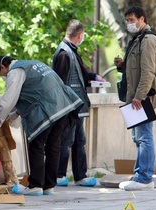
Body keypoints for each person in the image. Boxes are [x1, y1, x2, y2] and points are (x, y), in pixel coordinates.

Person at [0, 55, 84, 196]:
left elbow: (9, 99)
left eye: (0, 74)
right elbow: (30, 93)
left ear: (3, 67)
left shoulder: (15, 71)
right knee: (53, 146)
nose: (3, 77)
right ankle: (48, 186)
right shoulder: (32, 64)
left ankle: (35, 186)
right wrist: (10, 117)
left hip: (48, 109)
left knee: (36, 146)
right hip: (64, 106)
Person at [114, 6, 156, 191]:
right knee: (138, 137)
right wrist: (122, 66)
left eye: (132, 20)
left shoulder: (148, 40)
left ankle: (144, 178)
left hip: (142, 97)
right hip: (133, 96)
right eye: (127, 20)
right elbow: (136, 68)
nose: (129, 24)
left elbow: (148, 71)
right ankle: (140, 175)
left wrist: (139, 96)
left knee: (144, 137)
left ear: (142, 19)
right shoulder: (136, 39)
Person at [52, 19, 106, 187]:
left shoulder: (71, 51)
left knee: (79, 141)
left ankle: (80, 176)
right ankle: (60, 175)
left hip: (77, 106)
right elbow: (60, 82)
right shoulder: (64, 53)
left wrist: (93, 77)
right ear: (80, 35)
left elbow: (79, 74)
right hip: (69, 107)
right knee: (66, 140)